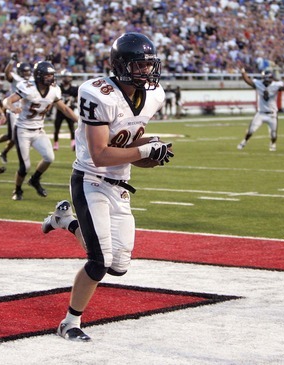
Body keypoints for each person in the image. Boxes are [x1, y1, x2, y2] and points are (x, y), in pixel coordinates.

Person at [41, 33, 174, 341]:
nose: (146, 72)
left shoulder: (154, 96)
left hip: (120, 183)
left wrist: (153, 151)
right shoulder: (98, 93)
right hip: (90, 180)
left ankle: (66, 221)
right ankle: (70, 323)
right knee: (99, 262)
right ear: (120, 66)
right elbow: (100, 154)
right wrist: (144, 151)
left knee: (118, 266)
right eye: (139, 66)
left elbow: (127, 144)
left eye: (148, 65)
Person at [3, 61, 78, 201]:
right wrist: (12, 108)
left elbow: (65, 109)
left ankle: (35, 179)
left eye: (52, 75)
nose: (50, 78)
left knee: (49, 157)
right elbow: (7, 100)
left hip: (38, 130)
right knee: (25, 166)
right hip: (23, 130)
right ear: (38, 76)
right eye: (47, 75)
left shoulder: (54, 90)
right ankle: (17, 190)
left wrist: (79, 121)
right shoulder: (28, 88)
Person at [237, 68, 284, 152]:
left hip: (272, 114)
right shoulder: (259, 83)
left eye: (268, 79)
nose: (266, 81)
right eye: (265, 79)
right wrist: (243, 72)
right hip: (261, 113)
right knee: (251, 130)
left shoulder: (276, 84)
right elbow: (247, 80)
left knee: (273, 134)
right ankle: (244, 141)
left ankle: (273, 144)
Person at [0, 55, 33, 164]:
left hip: (25, 111)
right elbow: (7, 73)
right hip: (13, 109)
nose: (26, 74)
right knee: (13, 137)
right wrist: (11, 61)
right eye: (24, 72)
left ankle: (2, 150)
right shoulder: (15, 78)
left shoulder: (32, 80)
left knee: (15, 137)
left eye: (28, 72)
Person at [53, 69, 78, 151]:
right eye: (65, 76)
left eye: (68, 77)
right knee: (57, 128)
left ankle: (73, 144)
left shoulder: (74, 88)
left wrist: (74, 101)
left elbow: (78, 99)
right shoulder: (58, 88)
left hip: (69, 111)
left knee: (72, 128)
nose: (67, 78)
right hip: (60, 111)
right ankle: (56, 144)